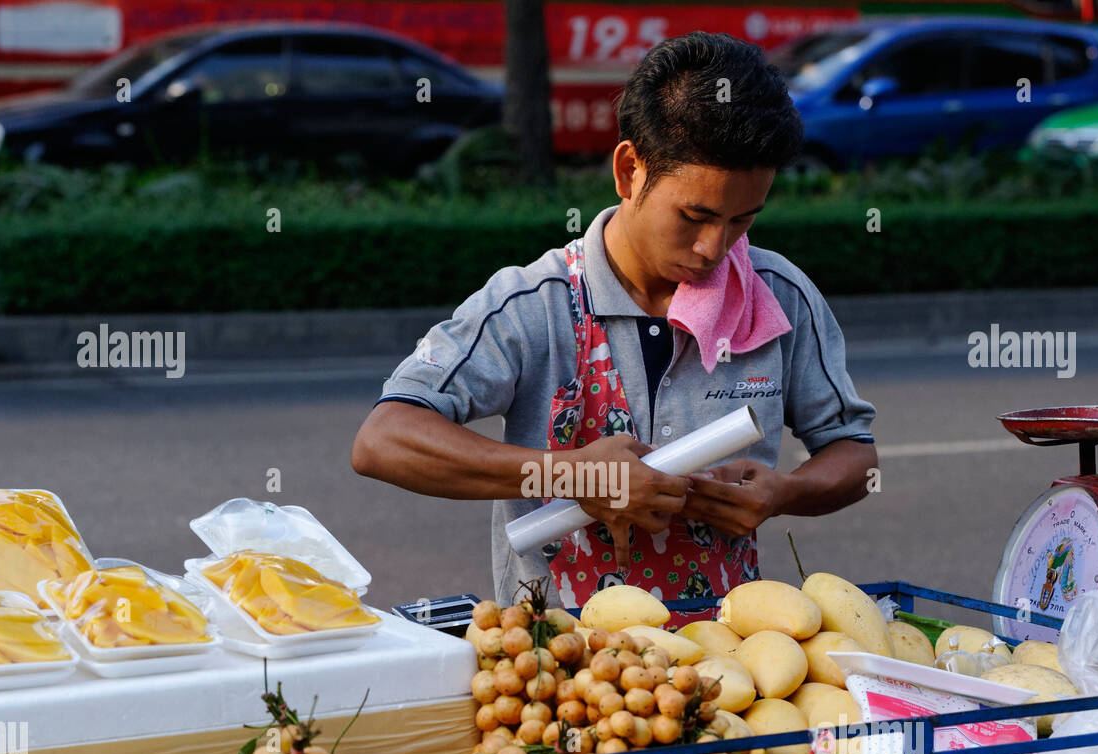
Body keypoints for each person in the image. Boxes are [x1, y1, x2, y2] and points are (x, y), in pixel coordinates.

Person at [351, 31, 877, 614]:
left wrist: (787, 493)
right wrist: (569, 475)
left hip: (726, 666)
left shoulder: (778, 297)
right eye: (694, 216)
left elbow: (854, 455)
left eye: (741, 220)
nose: (714, 248)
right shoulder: (534, 304)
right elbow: (384, 440)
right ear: (629, 171)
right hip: (563, 671)